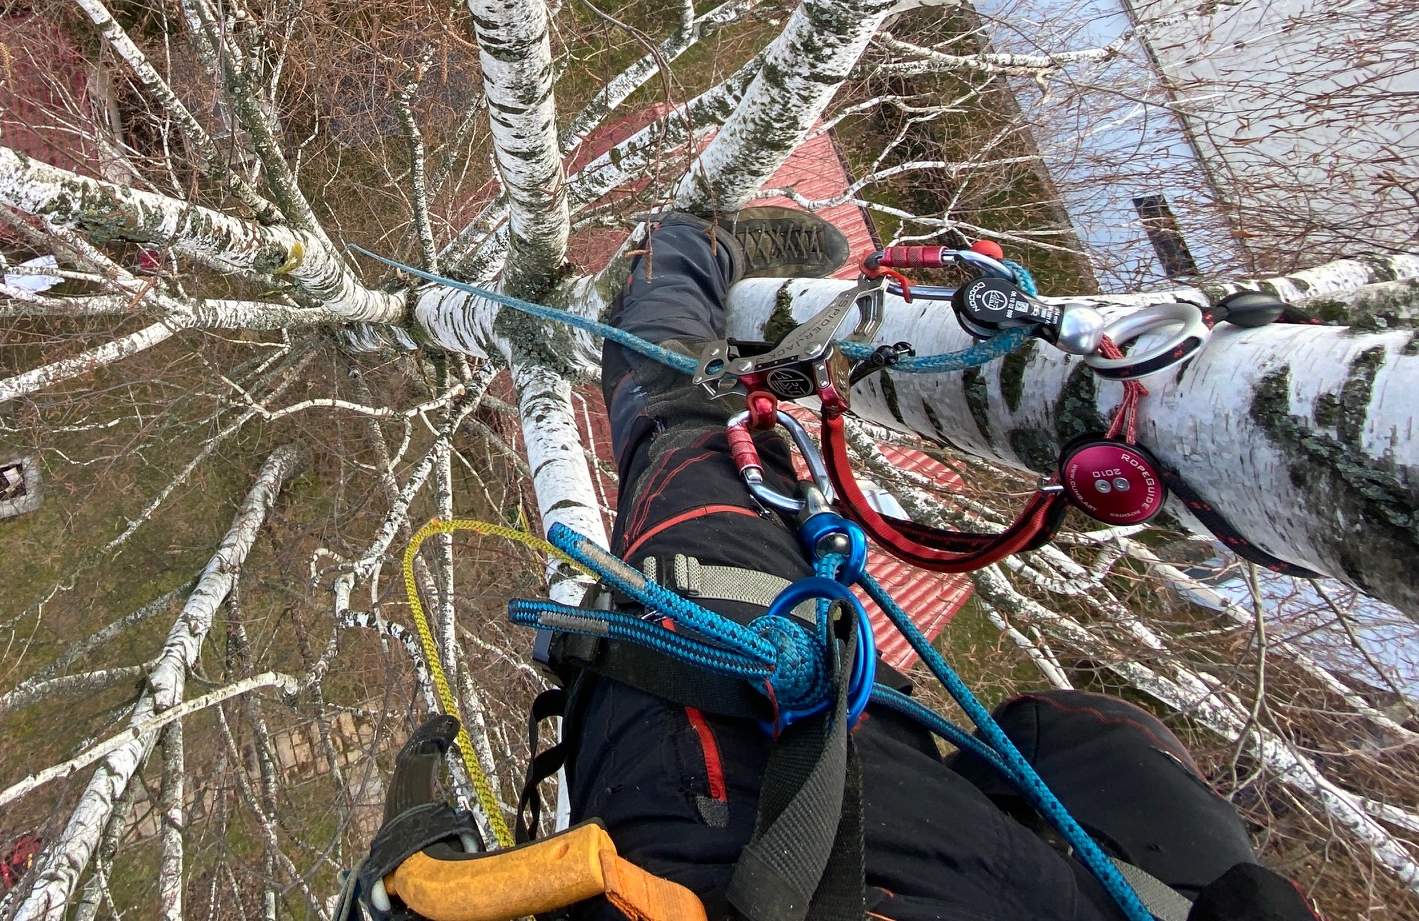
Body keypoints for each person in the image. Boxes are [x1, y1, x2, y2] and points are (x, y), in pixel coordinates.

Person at [546, 208, 1317, 921]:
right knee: (1101, 740)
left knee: (683, 418)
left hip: (725, 831)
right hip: (972, 854)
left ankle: (689, 245)